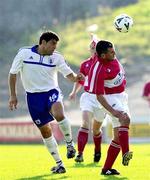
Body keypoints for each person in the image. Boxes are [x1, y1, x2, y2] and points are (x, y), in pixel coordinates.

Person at [8, 31, 84, 174]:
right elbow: (13, 74)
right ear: (42, 42)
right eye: (52, 44)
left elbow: (69, 75)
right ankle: (59, 164)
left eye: (56, 44)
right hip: (33, 97)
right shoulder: (24, 53)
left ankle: (69, 145)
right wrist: (13, 95)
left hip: (51, 92)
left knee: (59, 114)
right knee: (45, 131)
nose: (55, 47)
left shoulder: (57, 57)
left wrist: (76, 77)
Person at [86, 40, 133, 175]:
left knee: (118, 137)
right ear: (102, 56)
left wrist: (94, 38)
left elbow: (99, 44)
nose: (114, 53)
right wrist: (113, 112)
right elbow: (99, 96)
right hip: (109, 98)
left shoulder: (109, 55)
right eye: (111, 52)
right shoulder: (99, 69)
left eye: (114, 50)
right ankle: (126, 152)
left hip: (121, 96)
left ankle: (106, 169)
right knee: (125, 118)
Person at [69, 34, 106, 163]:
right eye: (91, 46)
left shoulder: (103, 63)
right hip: (88, 97)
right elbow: (80, 80)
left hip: (101, 98)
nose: (93, 48)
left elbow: (100, 82)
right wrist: (74, 92)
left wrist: (86, 80)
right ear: (89, 49)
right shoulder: (85, 64)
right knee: (85, 123)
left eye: (95, 46)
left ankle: (97, 150)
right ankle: (80, 153)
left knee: (96, 130)